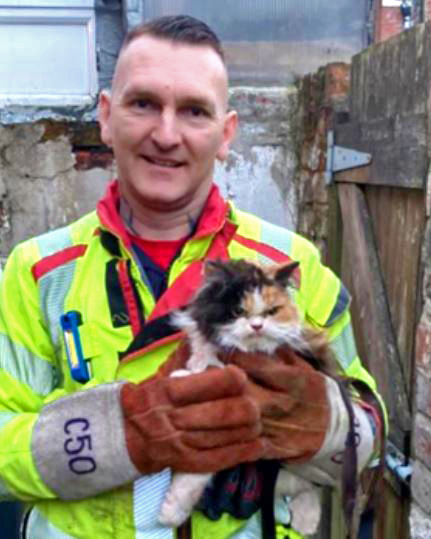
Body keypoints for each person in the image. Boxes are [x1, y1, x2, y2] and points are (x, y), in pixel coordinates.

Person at [0, 15, 385, 539]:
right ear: (106, 119)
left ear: (225, 135)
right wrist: (123, 432)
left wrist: (323, 421)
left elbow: (371, 432)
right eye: (143, 104)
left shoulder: (290, 264)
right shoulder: (38, 270)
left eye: (194, 111)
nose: (166, 134)